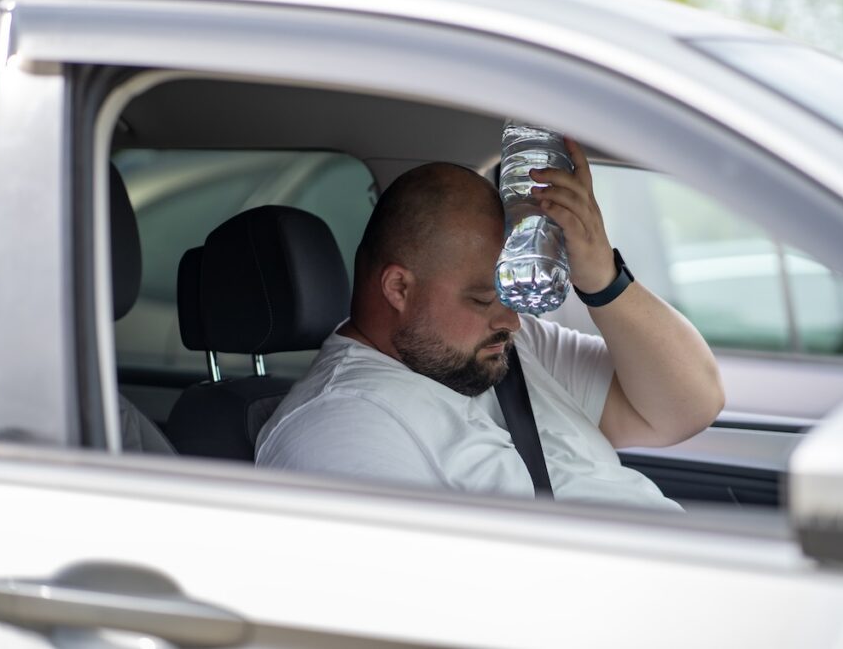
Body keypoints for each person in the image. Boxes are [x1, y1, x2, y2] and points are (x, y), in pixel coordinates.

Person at [255, 140, 724, 510]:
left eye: (512, 291)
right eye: (483, 298)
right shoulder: (341, 427)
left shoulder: (509, 346)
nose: (513, 320)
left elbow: (689, 406)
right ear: (398, 288)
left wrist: (602, 279)